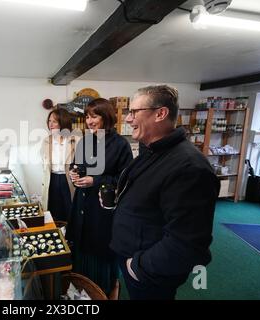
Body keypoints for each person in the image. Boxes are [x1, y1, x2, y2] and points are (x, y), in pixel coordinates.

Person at [109, 85, 220, 300]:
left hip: (149, 271)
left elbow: (188, 244)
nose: (128, 119)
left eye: (134, 112)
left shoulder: (189, 167)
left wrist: (138, 266)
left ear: (160, 113)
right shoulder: (152, 150)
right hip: (134, 255)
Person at [67, 98, 133, 298]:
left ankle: (101, 292)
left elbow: (125, 178)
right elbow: (76, 164)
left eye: (94, 116)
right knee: (80, 245)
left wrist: (95, 181)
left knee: (99, 249)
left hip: (102, 208)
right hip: (81, 204)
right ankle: (80, 291)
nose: (89, 121)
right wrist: (73, 172)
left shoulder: (121, 144)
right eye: (87, 116)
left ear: (106, 117)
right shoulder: (85, 141)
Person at [41, 108, 81, 222]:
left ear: (63, 122)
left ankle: (71, 238)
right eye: (49, 121)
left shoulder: (76, 140)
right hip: (52, 179)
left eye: (54, 121)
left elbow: (81, 162)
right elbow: (44, 164)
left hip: (68, 179)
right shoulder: (46, 141)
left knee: (71, 210)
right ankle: (57, 236)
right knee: (53, 212)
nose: (51, 124)